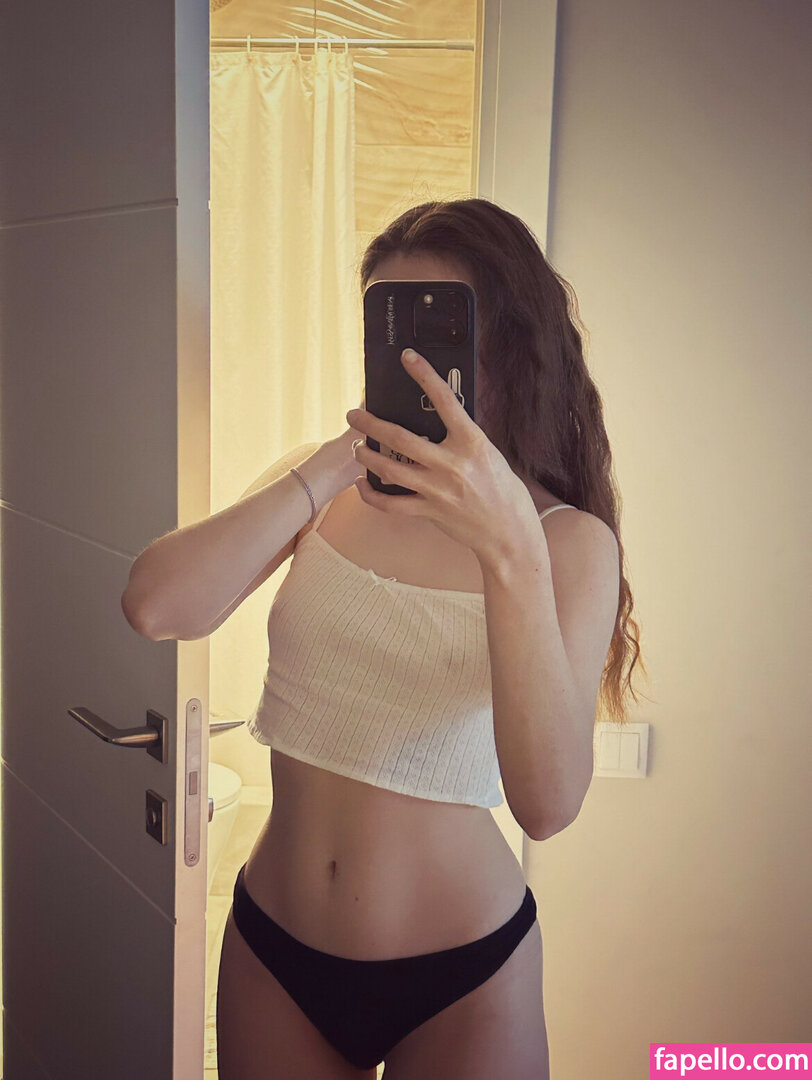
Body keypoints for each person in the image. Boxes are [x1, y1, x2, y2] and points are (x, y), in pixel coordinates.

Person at [122, 198, 644, 1080]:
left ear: (511, 346)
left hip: (464, 978)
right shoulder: (323, 484)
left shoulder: (565, 542)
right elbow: (155, 605)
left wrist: (508, 545)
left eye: (440, 331)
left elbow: (548, 805)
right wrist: (337, 460)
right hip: (274, 951)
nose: (413, 362)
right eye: (391, 329)